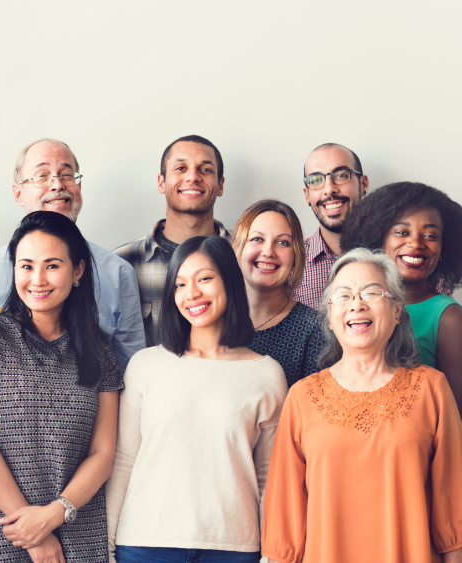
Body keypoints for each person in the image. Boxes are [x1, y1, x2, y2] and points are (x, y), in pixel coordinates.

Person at [262, 249, 462, 563]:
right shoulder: (302, 398)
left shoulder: (431, 389)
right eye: (343, 295)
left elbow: (453, 509)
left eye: (371, 292)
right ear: (328, 315)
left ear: (397, 309)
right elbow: (284, 522)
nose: (357, 303)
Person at [0, 211, 122, 563]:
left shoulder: (100, 353)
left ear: (78, 271)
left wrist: (53, 515)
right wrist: (34, 536)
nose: (37, 279)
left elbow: (102, 455)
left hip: (76, 535)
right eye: (26, 266)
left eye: (52, 265)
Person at [106, 236, 287, 563]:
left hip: (233, 548)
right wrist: (106, 546)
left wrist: (271, 555)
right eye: (179, 284)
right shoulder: (146, 366)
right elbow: (123, 461)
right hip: (145, 544)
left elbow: (270, 478)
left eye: (204, 279)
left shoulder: (266, 374)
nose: (191, 294)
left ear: (230, 283)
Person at [0, 138, 145, 370]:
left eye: (66, 175)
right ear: (18, 193)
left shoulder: (118, 273)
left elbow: (131, 371)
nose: (57, 185)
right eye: (42, 176)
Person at [340, 182, 462, 412]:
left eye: (430, 235)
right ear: (379, 238)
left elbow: (455, 415)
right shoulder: (355, 308)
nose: (416, 243)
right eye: (402, 232)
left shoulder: (448, 318)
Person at [114, 135, 232, 347]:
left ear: (220, 184)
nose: (193, 177)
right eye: (180, 168)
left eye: (205, 170)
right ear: (161, 182)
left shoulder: (247, 253)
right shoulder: (121, 264)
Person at [232, 199, 325, 386]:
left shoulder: (316, 330)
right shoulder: (212, 319)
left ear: (296, 256)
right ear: (238, 248)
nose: (268, 251)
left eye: (282, 242)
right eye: (257, 239)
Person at [291, 143, 369, 309]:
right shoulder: (290, 265)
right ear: (307, 195)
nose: (329, 189)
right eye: (315, 180)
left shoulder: (394, 255)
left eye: (341, 175)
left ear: (363, 184)